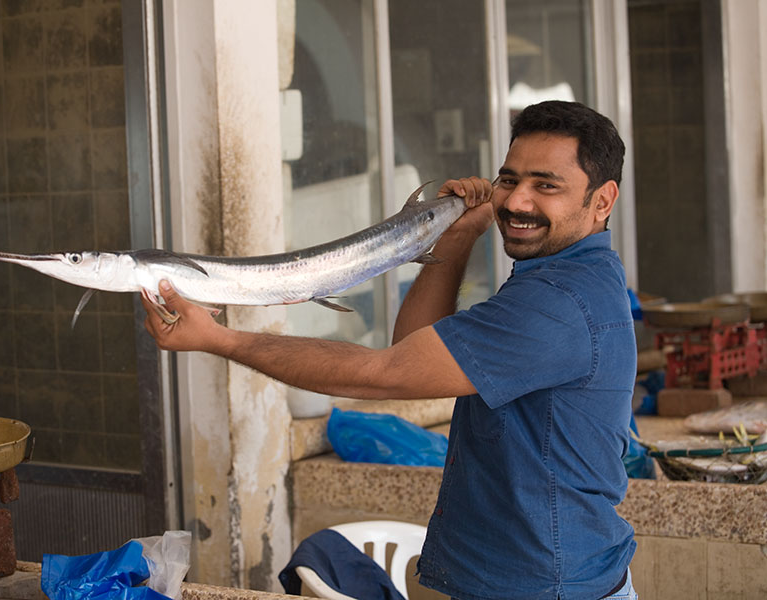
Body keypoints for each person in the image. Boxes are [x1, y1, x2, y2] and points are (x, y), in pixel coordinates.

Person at [142, 100, 637, 600]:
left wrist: (219, 339)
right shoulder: (558, 276)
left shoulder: (560, 303)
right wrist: (459, 233)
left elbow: (380, 373)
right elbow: (412, 345)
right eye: (509, 180)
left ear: (602, 200)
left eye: (546, 185)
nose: (516, 202)